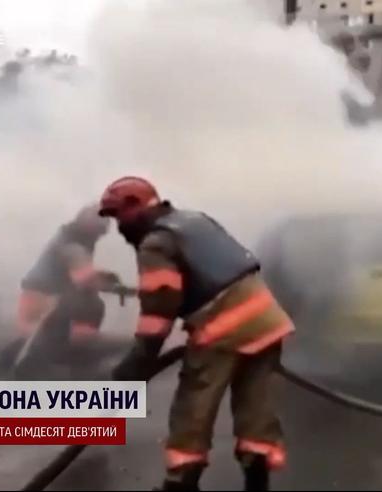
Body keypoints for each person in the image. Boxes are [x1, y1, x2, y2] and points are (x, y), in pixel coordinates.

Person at [98, 176, 294, 492]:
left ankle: (180, 484)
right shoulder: (194, 220)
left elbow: (159, 311)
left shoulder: (156, 243)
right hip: (267, 321)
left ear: (135, 206)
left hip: (223, 329)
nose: (119, 226)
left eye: (118, 215)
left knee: (193, 409)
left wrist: (137, 362)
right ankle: (257, 482)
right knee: (256, 408)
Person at [12, 203, 121, 375]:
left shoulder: (73, 239)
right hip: (43, 305)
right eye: (100, 228)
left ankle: (77, 355)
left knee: (87, 300)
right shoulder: (71, 244)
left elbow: (83, 276)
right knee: (90, 302)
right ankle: (76, 353)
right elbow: (84, 278)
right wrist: (113, 285)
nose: (102, 233)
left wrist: (107, 280)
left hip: (46, 303)